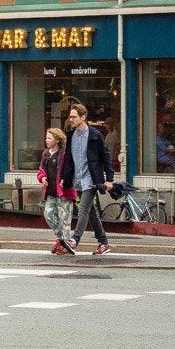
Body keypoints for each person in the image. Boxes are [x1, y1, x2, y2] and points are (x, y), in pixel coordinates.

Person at [61, 101, 114, 255]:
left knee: (83, 209)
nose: (71, 119)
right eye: (70, 117)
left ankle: (74, 240)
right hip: (77, 179)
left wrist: (109, 178)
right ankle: (103, 243)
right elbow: (69, 159)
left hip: (91, 179)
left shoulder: (95, 135)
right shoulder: (71, 136)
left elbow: (106, 157)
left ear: (83, 117)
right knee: (91, 212)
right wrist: (65, 177)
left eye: (74, 117)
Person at [36, 127, 78, 254]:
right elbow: (41, 170)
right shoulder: (45, 154)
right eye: (46, 137)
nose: (46, 140)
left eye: (49, 138)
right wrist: (42, 178)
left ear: (57, 139)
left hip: (64, 192)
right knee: (48, 215)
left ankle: (65, 245)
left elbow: (71, 169)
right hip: (51, 192)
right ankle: (63, 240)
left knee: (65, 219)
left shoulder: (65, 153)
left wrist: (66, 179)